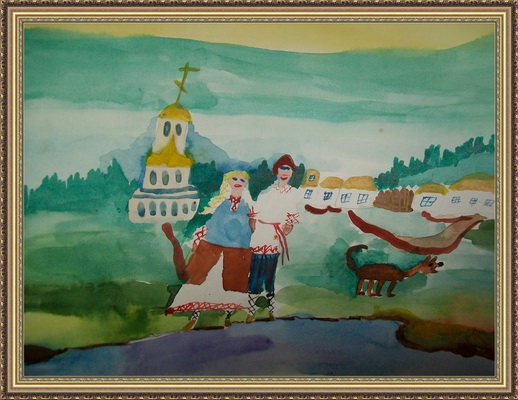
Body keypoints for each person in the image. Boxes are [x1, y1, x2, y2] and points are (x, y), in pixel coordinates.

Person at [162, 171, 254, 330]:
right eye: (234, 178)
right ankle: (194, 317)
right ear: (228, 182)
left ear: (246, 184)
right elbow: (211, 224)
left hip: (237, 250)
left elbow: (249, 227)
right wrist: (199, 238)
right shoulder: (221, 204)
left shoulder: (247, 206)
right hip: (214, 247)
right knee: (201, 280)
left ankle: (228, 316)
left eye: (242, 180)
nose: (238, 181)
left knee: (233, 283)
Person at [246, 154, 300, 323]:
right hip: (260, 237)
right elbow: (253, 218)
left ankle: (270, 311)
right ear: (276, 171)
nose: (285, 172)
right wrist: (258, 232)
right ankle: (250, 312)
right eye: (282, 168)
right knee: (255, 274)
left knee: (270, 275)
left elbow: (290, 222)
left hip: (274, 239)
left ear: (292, 172)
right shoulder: (266, 192)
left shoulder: (293, 193)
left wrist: (282, 232)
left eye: (288, 169)